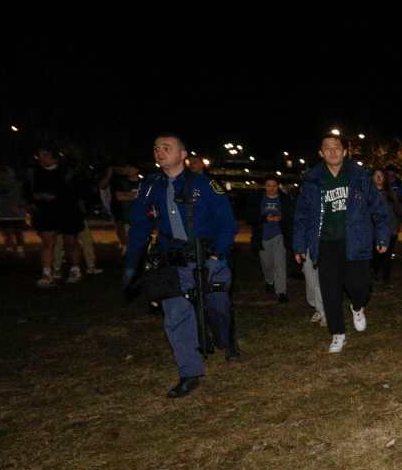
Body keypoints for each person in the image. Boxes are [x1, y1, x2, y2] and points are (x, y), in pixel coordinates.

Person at [122, 133, 239, 398]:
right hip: (173, 262)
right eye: (156, 148)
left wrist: (216, 256)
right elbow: (139, 227)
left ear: (182, 154)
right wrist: (131, 265)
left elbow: (227, 224)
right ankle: (189, 372)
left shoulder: (204, 185)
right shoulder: (151, 187)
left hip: (209, 257)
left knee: (218, 306)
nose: (159, 152)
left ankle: (225, 338)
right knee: (175, 314)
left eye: (167, 148)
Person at [293, 133, 389, 354]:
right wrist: (299, 245)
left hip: (356, 240)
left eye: (337, 147)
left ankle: (357, 306)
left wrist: (382, 236)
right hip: (326, 244)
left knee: (360, 286)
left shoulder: (360, 176)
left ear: (345, 152)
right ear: (321, 153)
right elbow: (301, 216)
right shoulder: (312, 180)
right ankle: (338, 333)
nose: (333, 152)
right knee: (330, 292)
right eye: (327, 148)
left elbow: (378, 207)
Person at [29, 147, 84, 287]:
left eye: (45, 155)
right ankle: (47, 274)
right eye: (40, 155)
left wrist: (59, 196)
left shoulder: (67, 172)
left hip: (68, 211)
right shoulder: (35, 173)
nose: (41, 158)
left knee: (70, 242)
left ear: (54, 157)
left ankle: (75, 270)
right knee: (47, 242)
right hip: (46, 212)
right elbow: (29, 192)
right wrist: (37, 198)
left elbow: (77, 191)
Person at [251, 175, 294, 303]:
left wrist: (281, 218)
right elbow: (250, 216)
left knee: (280, 264)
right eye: (268, 185)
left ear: (278, 186)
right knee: (267, 264)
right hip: (263, 237)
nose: (271, 188)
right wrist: (265, 218)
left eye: (274, 186)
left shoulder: (284, 199)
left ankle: (281, 292)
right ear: (264, 186)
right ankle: (269, 281)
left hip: (279, 236)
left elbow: (291, 215)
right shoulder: (257, 198)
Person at [371, 168, 402, 285]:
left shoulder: (390, 193)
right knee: (375, 254)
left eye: (381, 175)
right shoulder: (368, 193)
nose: (378, 177)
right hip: (374, 229)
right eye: (376, 175)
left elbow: (397, 208)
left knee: (387, 254)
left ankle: (386, 278)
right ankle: (375, 273)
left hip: (391, 228)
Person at [0, 167, 28, 256]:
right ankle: (18, 249)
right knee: (16, 232)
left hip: (4, 213)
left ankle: (11, 249)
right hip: (15, 213)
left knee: (8, 232)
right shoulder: (18, 185)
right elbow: (25, 198)